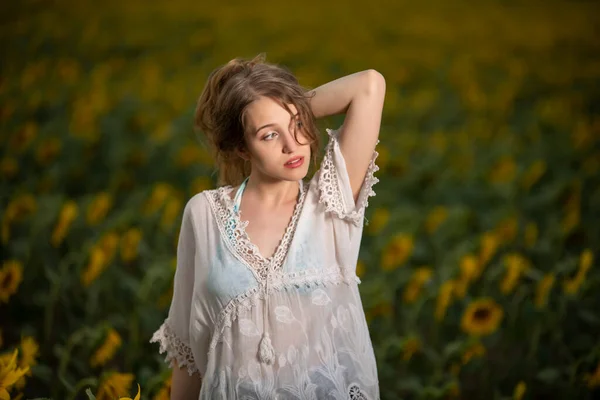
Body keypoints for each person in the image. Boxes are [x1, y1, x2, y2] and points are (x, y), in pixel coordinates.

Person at [150, 53, 385, 400]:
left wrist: (280, 106)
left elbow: (369, 84)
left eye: (298, 125)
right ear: (241, 148)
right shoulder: (204, 215)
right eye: (269, 135)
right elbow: (189, 351)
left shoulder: (330, 206)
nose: (293, 145)